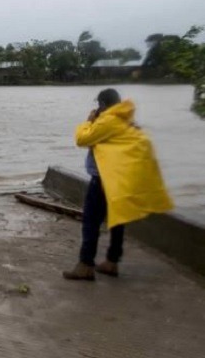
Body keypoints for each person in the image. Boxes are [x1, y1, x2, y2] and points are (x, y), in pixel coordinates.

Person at [63, 89, 173, 280]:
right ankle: (112, 262)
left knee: (91, 222)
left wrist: (88, 121)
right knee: (117, 221)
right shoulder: (125, 120)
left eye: (99, 105)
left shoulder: (108, 121)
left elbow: (82, 139)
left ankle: (85, 265)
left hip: (102, 180)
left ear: (103, 105)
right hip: (120, 179)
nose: (97, 108)